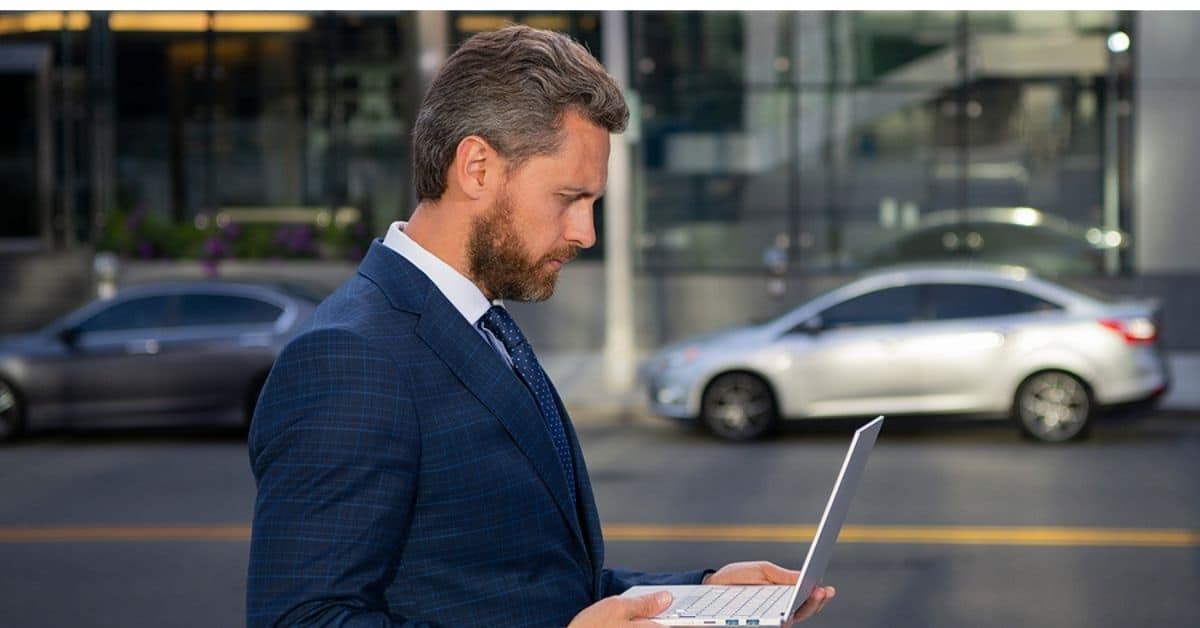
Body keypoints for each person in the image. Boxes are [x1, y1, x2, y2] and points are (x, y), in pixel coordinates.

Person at [246, 24, 835, 627]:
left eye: (593, 203)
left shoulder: (481, 322)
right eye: (568, 197)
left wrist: (703, 594)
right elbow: (300, 620)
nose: (586, 233)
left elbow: (536, 587)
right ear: (476, 167)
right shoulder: (351, 358)